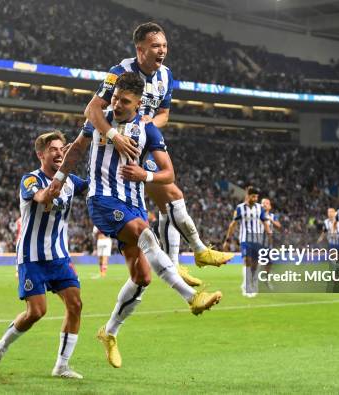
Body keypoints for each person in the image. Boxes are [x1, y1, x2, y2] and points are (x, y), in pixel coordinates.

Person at [51, 72, 222, 368]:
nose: (116, 104)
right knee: (145, 233)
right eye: (115, 98)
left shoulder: (148, 132)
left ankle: (109, 332)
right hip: (102, 200)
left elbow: (169, 174)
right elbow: (77, 148)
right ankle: (191, 297)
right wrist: (58, 178)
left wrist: (147, 175)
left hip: (135, 205)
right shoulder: (100, 119)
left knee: (141, 278)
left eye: (124, 101)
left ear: (139, 103)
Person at [86, 22, 233, 287]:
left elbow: (164, 114)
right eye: (156, 46)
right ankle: (196, 253)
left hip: (142, 144)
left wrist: (145, 126)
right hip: (118, 150)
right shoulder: (118, 73)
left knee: (171, 199)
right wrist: (115, 136)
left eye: (164, 45)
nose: (162, 50)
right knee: (172, 197)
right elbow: (93, 110)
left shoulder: (167, 75)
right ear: (140, 49)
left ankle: (186, 259)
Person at [0, 131, 87, 379]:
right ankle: (1, 347)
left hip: (59, 255)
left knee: (76, 305)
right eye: (53, 149)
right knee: (37, 312)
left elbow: (98, 186)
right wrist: (52, 189)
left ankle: (62, 365)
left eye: (62, 148)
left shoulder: (73, 181)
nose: (59, 152)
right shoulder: (30, 180)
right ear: (41, 154)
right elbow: (41, 197)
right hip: (32, 256)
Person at [223, 187, 272, 297]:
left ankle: (253, 283)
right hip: (245, 239)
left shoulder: (260, 208)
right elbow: (233, 224)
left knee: (255, 265)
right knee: (247, 261)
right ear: (248, 196)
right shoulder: (240, 208)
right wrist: (227, 240)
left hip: (258, 240)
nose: (255, 198)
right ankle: (247, 287)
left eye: (256, 197)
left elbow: (265, 222)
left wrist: (269, 234)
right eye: (253, 196)